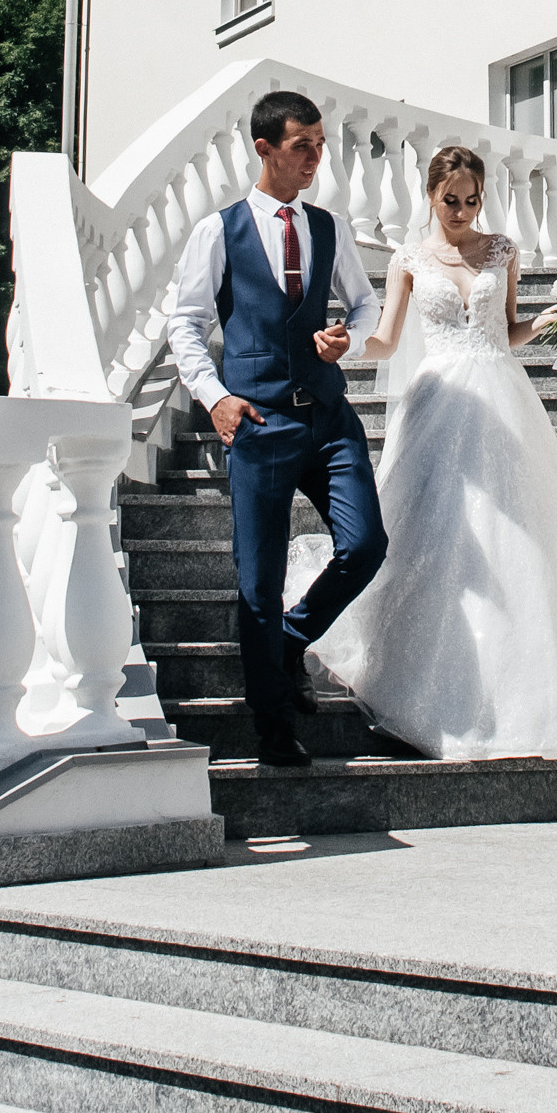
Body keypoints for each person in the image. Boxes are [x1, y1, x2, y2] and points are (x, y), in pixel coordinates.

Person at [308, 143, 557, 759]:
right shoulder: (408, 258)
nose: (461, 211)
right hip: (437, 401)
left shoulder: (502, 250)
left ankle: (527, 681)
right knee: (434, 533)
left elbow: (505, 329)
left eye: (471, 200)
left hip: (500, 393)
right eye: (450, 200)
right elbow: (385, 341)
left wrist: (556, 315)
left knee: (519, 537)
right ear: (430, 196)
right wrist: (344, 345)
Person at [167, 88, 383, 768]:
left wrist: (350, 337)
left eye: (320, 143)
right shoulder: (220, 230)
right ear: (265, 149)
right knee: (258, 583)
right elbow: (184, 323)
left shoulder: (328, 226)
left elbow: (367, 301)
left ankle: (291, 642)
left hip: (327, 416)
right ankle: (271, 725)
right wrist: (215, 398)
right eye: (302, 145)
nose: (316, 156)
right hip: (257, 424)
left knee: (366, 543)